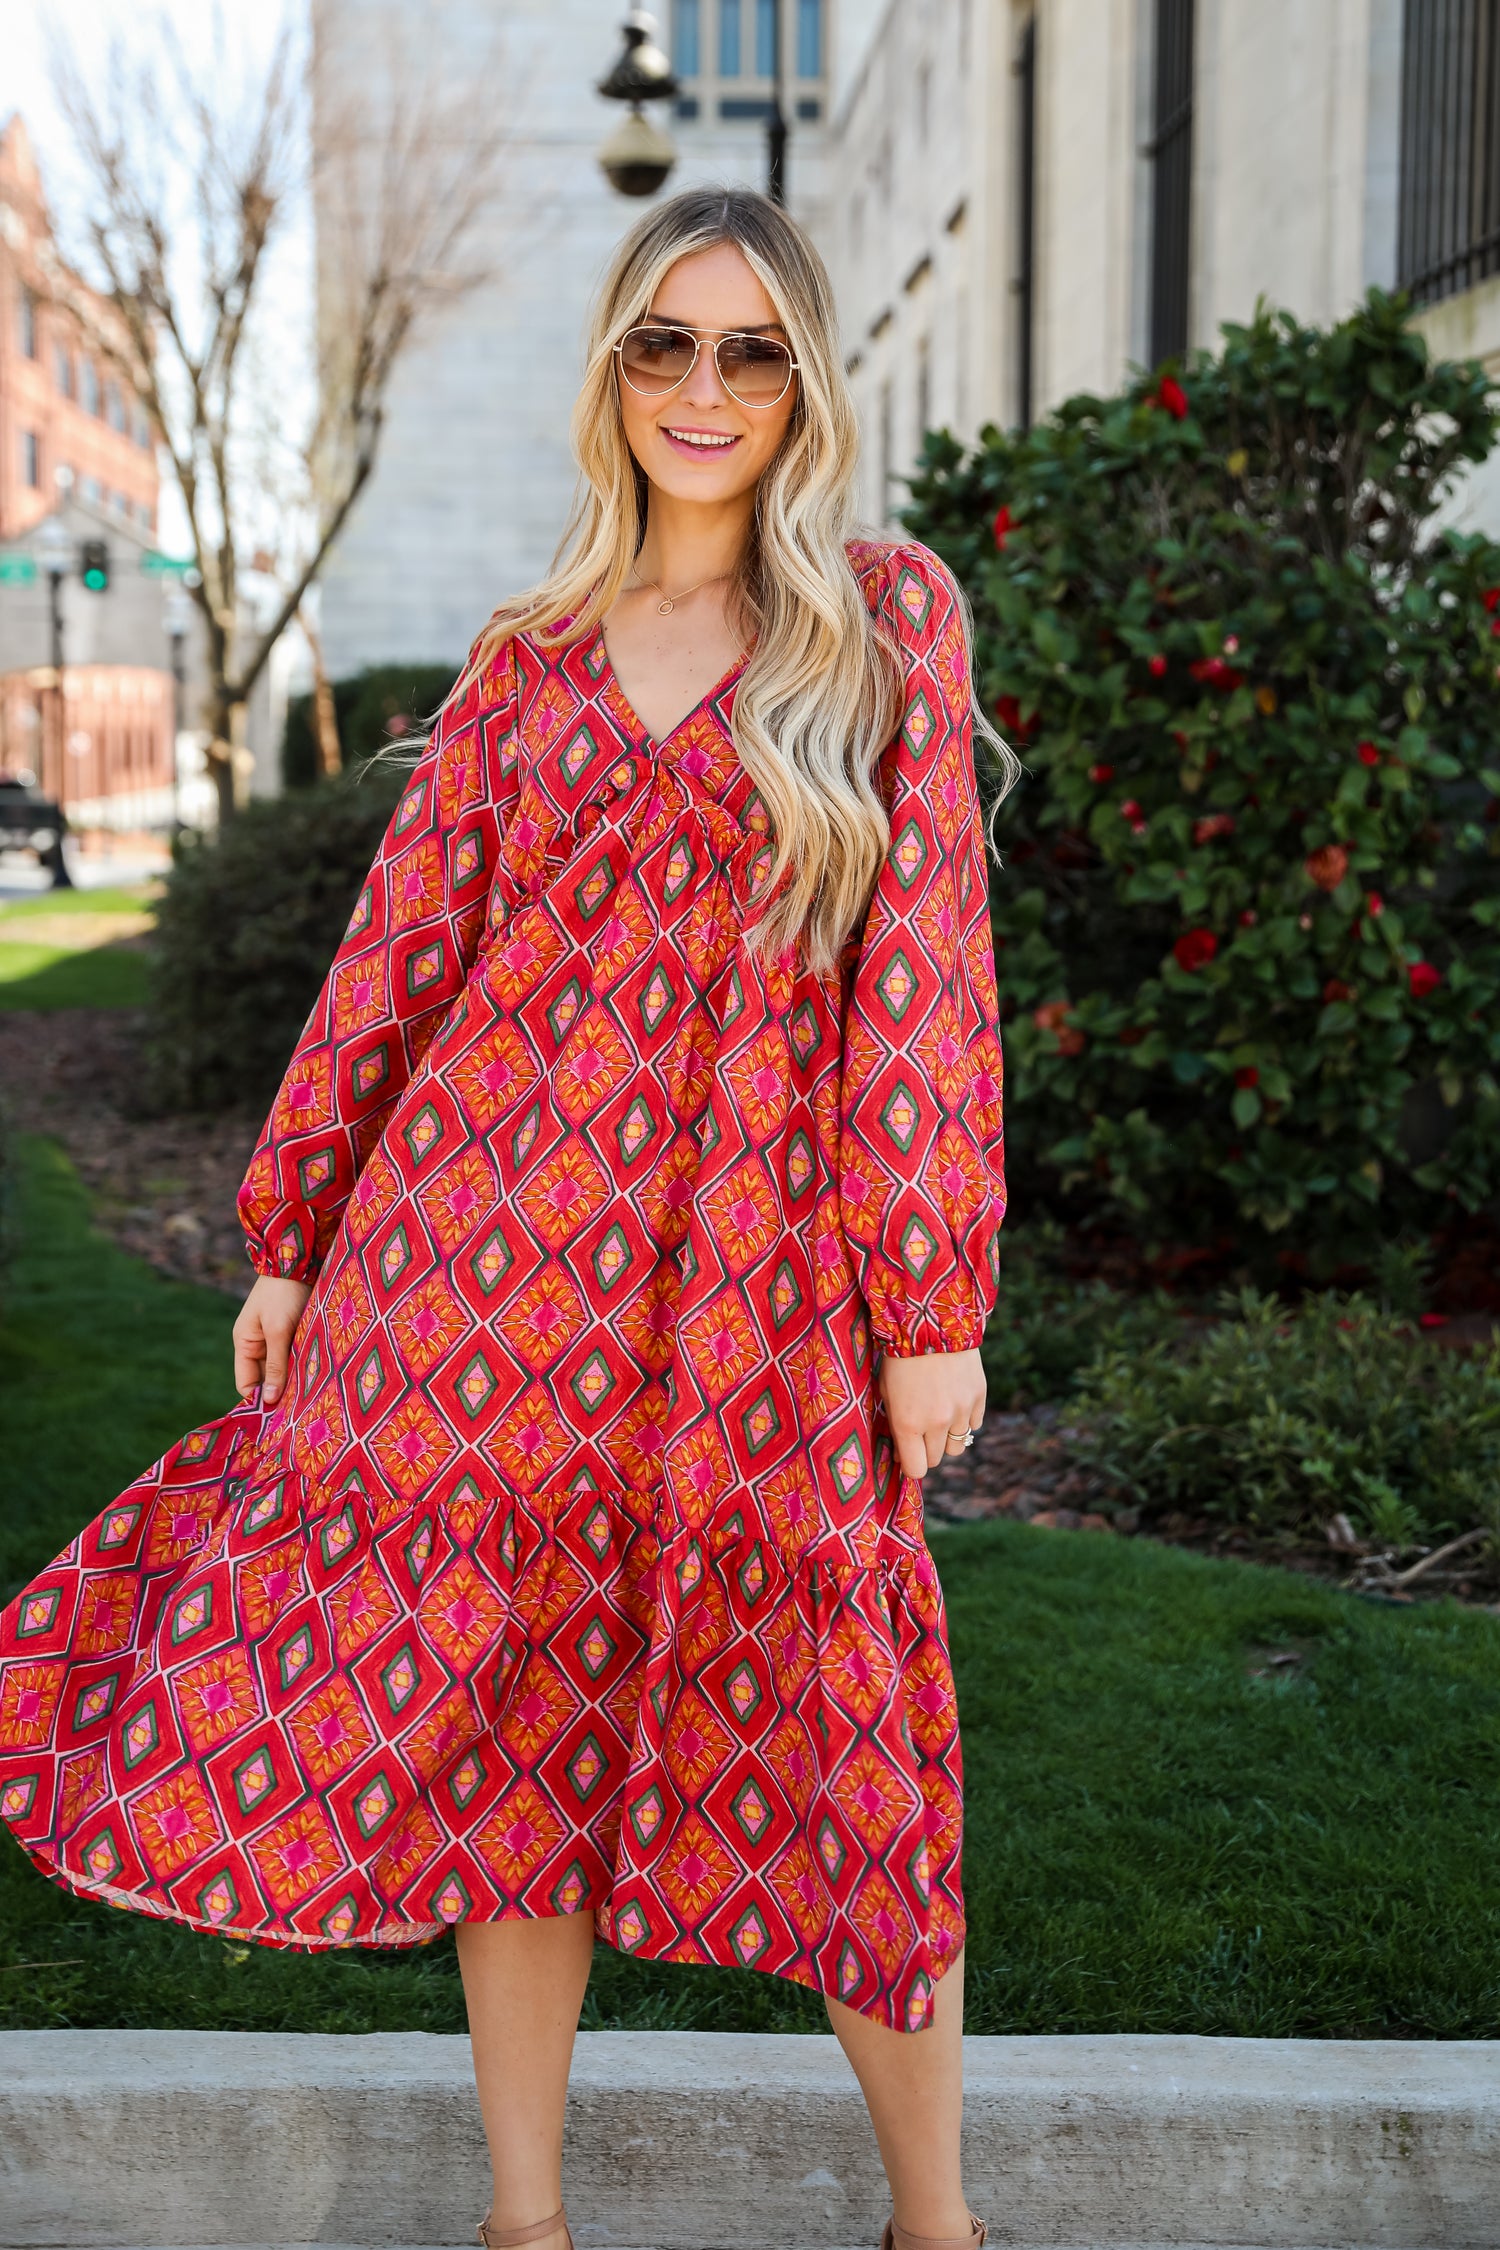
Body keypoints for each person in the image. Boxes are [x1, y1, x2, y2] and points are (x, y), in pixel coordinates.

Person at [0, 186, 1014, 2250]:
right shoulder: (526, 662)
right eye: (663, 344)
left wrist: (928, 1301)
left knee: (846, 1741)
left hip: (758, 1280)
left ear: (806, 378)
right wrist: (291, 1231)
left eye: (749, 349)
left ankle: (939, 2224)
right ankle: (524, 2228)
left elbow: (923, 970)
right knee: (510, 1733)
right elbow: (398, 961)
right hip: (479, 1266)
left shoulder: (884, 614)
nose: (705, 388)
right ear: (613, 376)